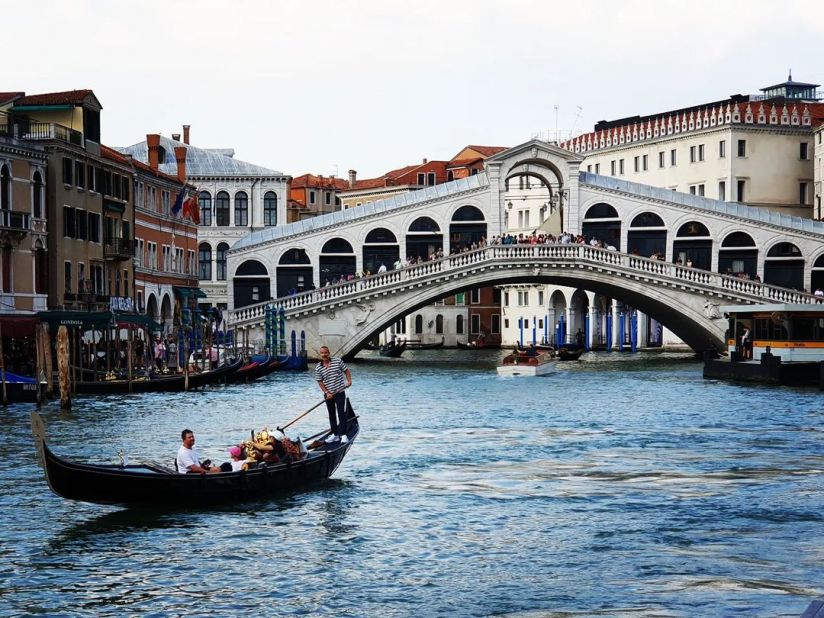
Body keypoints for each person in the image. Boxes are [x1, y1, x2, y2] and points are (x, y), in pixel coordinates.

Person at [315, 345, 352, 443]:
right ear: (320, 354)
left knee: (341, 413)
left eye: (325, 353)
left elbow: (346, 371)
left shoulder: (338, 361)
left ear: (329, 353)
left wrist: (349, 381)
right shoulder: (318, 367)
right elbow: (320, 382)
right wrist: (327, 393)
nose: (324, 355)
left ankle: (343, 435)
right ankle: (335, 434)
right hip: (328, 395)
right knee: (331, 415)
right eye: (322, 353)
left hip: (339, 392)